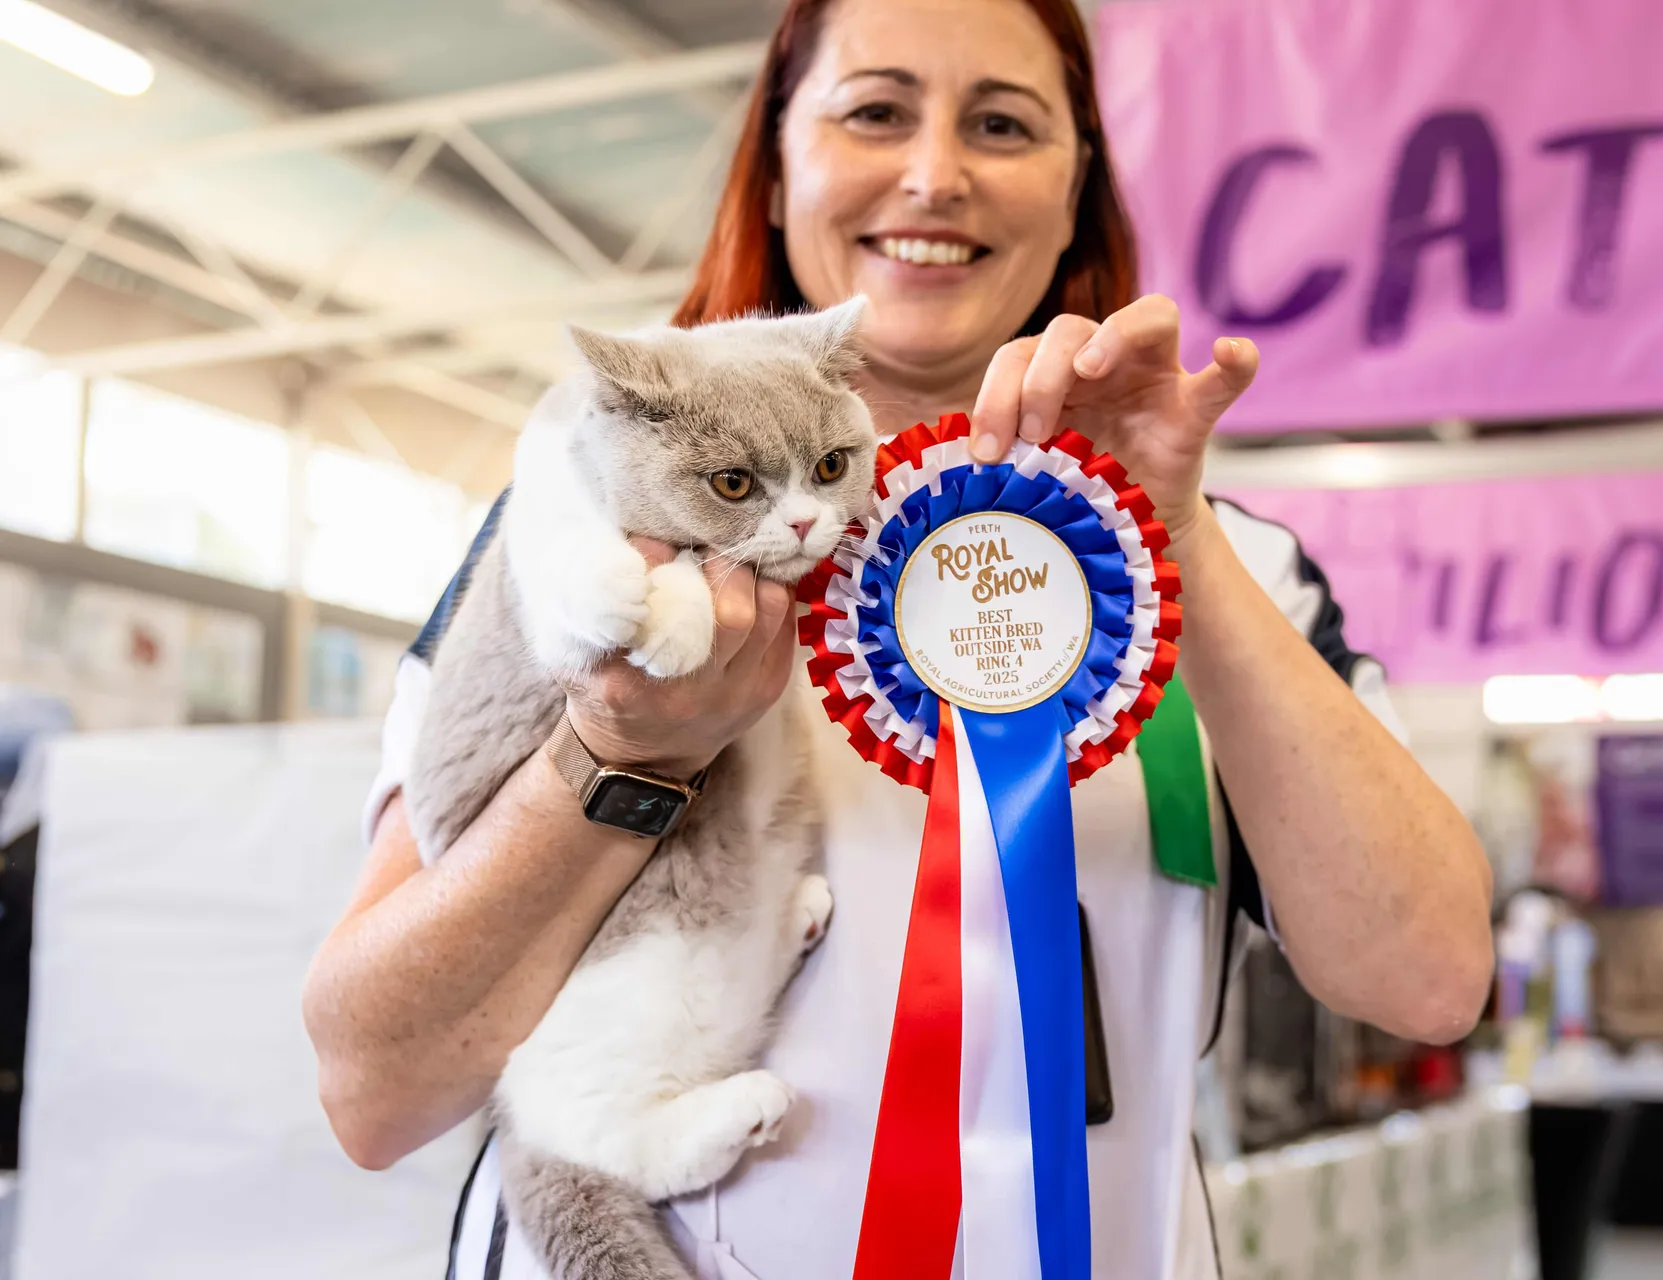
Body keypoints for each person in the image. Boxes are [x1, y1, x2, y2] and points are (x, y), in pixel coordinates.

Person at [301, 0, 1494, 1275]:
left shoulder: (1222, 562)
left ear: (1078, 178)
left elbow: (1428, 979)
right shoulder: (589, 529)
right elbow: (376, 1087)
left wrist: (1172, 527)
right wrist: (621, 753)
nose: (936, 173)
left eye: (1003, 122)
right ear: (776, 166)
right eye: (874, 110)